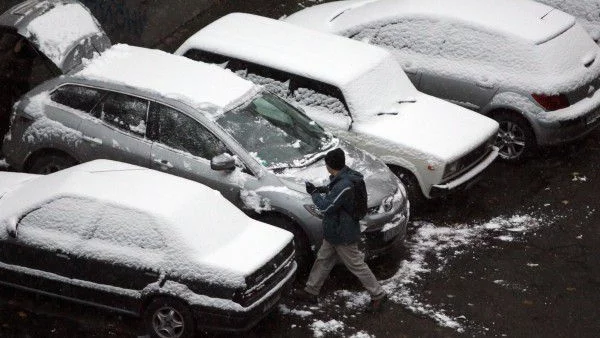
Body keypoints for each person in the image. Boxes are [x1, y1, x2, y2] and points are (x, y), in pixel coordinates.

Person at [291, 148, 387, 312]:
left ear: (329, 166)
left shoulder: (344, 184)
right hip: (334, 231)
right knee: (323, 260)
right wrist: (320, 189)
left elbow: (326, 207)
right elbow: (336, 193)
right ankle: (311, 291)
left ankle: (379, 295)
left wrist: (314, 194)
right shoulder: (344, 176)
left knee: (356, 265)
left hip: (343, 234)